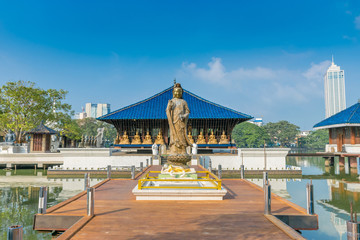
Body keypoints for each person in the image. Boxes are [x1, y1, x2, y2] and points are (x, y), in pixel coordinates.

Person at [166, 83, 191, 155]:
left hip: (181, 122)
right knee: (174, 135)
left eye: (179, 91)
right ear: (173, 93)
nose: (177, 93)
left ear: (182, 93)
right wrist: (169, 107)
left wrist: (184, 116)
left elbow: (187, 112)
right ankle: (174, 150)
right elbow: (167, 111)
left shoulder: (184, 102)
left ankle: (183, 150)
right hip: (174, 122)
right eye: (176, 91)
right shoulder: (171, 101)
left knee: (181, 136)